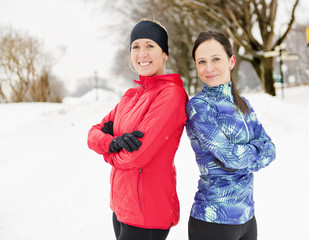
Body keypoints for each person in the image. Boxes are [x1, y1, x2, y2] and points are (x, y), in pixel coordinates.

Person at [87, 19, 188, 240]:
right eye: (136, 46)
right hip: (122, 208)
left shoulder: (170, 95)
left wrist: (108, 154)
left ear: (164, 54)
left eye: (150, 45)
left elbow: (135, 156)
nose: (142, 53)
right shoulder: (131, 96)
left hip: (148, 214)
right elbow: (93, 134)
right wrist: (113, 144)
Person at [185, 31, 276, 240]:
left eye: (216, 59)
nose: (209, 68)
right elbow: (232, 157)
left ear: (231, 61)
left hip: (247, 217)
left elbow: (270, 149)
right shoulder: (199, 107)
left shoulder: (243, 104)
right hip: (212, 220)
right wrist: (254, 152)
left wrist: (242, 157)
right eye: (202, 61)